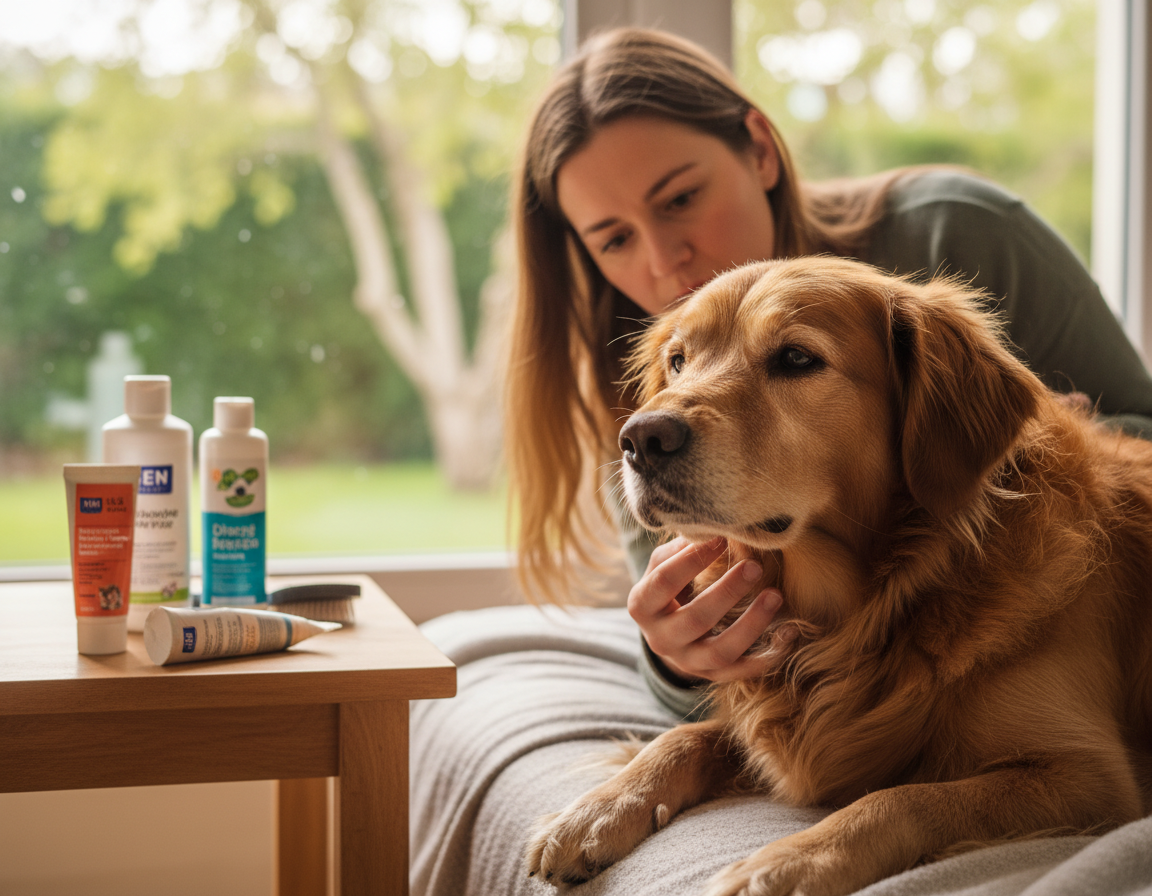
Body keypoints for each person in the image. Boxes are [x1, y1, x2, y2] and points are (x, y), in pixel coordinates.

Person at [410, 26, 1152, 896]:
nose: (662, 258)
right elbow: (707, 661)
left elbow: (1082, 776)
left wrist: (1009, 433)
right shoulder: (658, 398)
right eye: (613, 238)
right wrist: (681, 676)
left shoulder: (958, 235)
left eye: (680, 198)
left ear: (759, 149)